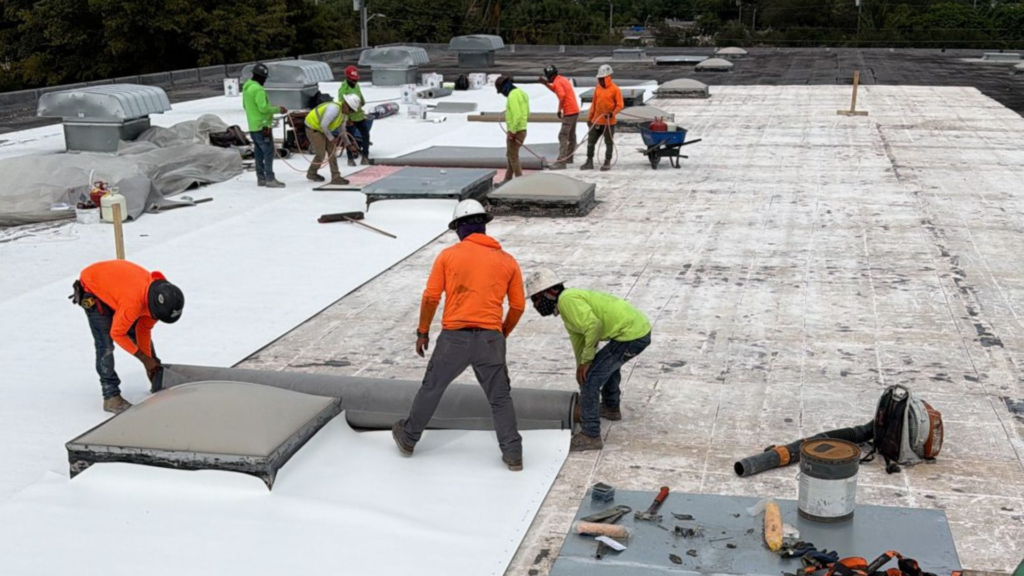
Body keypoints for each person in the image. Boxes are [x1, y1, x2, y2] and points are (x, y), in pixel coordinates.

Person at [393, 199, 526, 471]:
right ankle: (513, 454)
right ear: (483, 226)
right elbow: (518, 306)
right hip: (490, 338)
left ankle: (408, 437)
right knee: (500, 398)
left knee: (432, 388)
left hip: (454, 338)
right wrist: (501, 332)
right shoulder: (507, 260)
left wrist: (422, 331)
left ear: (459, 228)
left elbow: (431, 297)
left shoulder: (448, 256)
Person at [524, 268, 651, 452]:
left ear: (548, 294)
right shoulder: (567, 307)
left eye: (536, 299)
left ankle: (591, 435)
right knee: (604, 368)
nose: (535, 305)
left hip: (631, 335)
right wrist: (580, 367)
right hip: (635, 330)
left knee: (591, 380)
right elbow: (579, 340)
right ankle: (610, 407)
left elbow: (593, 325)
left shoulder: (567, 300)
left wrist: (587, 365)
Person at [71, 260, 184, 414]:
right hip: (93, 287)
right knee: (105, 344)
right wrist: (144, 359)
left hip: (117, 287)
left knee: (134, 331)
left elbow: (143, 331)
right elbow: (117, 333)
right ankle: (110, 396)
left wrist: (149, 362)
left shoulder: (161, 298)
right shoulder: (133, 303)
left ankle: (157, 378)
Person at [242, 63, 287, 188]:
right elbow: (263, 108)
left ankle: (261, 178)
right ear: (260, 77)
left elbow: (245, 106)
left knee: (258, 153)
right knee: (268, 152)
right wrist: (278, 109)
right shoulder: (258, 90)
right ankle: (270, 179)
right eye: (264, 78)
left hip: (253, 126)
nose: (265, 81)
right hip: (263, 126)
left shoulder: (247, 88)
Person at [304, 94, 362, 185]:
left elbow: (342, 130)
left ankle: (336, 177)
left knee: (332, 152)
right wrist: (331, 138)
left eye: (352, 110)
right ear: (345, 104)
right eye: (350, 109)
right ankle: (311, 173)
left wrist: (348, 144)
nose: (350, 112)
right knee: (321, 154)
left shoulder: (344, 114)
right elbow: (323, 125)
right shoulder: (334, 109)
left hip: (323, 129)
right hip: (313, 128)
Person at [582, 64, 623, 172]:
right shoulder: (598, 88)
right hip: (596, 120)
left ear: (608, 78)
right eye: (599, 79)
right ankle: (589, 161)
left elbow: (620, 105)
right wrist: (589, 118)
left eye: (601, 79)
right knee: (591, 142)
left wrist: (612, 113)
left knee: (608, 142)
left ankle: (607, 161)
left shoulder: (615, 89)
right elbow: (594, 104)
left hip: (609, 122)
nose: (599, 81)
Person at [539, 64, 580, 170]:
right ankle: (569, 158)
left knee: (563, 135)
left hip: (569, 111)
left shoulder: (557, 81)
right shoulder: (561, 79)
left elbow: (562, 96)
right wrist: (546, 84)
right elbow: (556, 90)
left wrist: (559, 109)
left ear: (549, 76)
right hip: (575, 110)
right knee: (571, 135)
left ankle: (561, 162)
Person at [495, 75, 529, 183]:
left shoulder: (512, 96)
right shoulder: (521, 93)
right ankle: (507, 179)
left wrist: (513, 131)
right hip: (522, 129)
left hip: (516, 131)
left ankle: (519, 182)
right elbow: (527, 112)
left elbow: (517, 115)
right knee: (510, 155)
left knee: (513, 157)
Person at [338, 65, 371, 167]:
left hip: (359, 115)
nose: (355, 82)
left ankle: (365, 156)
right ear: (347, 78)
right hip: (350, 118)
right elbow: (343, 107)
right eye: (352, 80)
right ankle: (350, 158)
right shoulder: (343, 90)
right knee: (349, 138)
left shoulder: (357, 86)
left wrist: (362, 103)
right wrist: (347, 119)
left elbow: (361, 99)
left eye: (356, 80)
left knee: (366, 135)